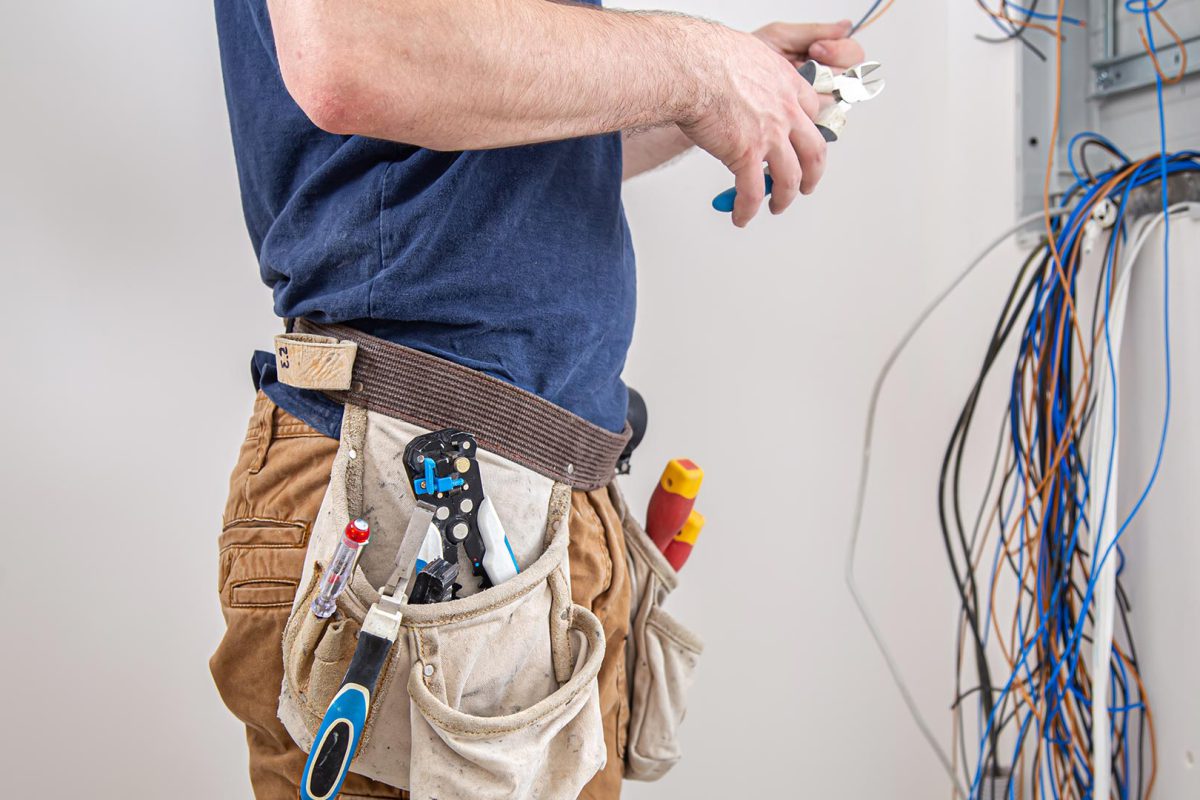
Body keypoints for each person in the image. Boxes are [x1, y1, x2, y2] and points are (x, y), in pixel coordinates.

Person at [209, 2, 864, 798]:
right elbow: (351, 58)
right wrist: (698, 68)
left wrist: (720, 89)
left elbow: (493, 153)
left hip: (546, 496)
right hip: (395, 490)